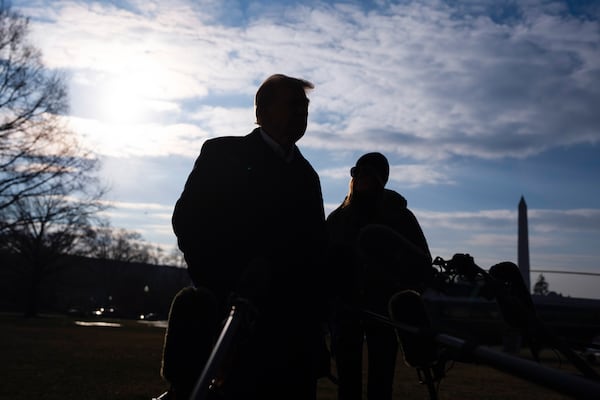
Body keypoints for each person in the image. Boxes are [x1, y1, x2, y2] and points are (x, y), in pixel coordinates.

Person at [167, 74, 328, 400]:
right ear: (262, 111)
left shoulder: (307, 175)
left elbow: (315, 249)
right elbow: (188, 222)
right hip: (235, 324)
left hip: (293, 337)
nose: (302, 113)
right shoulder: (222, 154)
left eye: (306, 107)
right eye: (293, 104)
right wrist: (224, 287)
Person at [327, 152, 432, 400]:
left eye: (369, 174)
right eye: (358, 173)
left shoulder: (399, 217)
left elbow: (421, 262)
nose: (362, 179)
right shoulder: (339, 218)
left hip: (384, 312)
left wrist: (401, 293)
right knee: (347, 384)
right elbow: (325, 260)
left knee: (381, 383)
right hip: (345, 310)